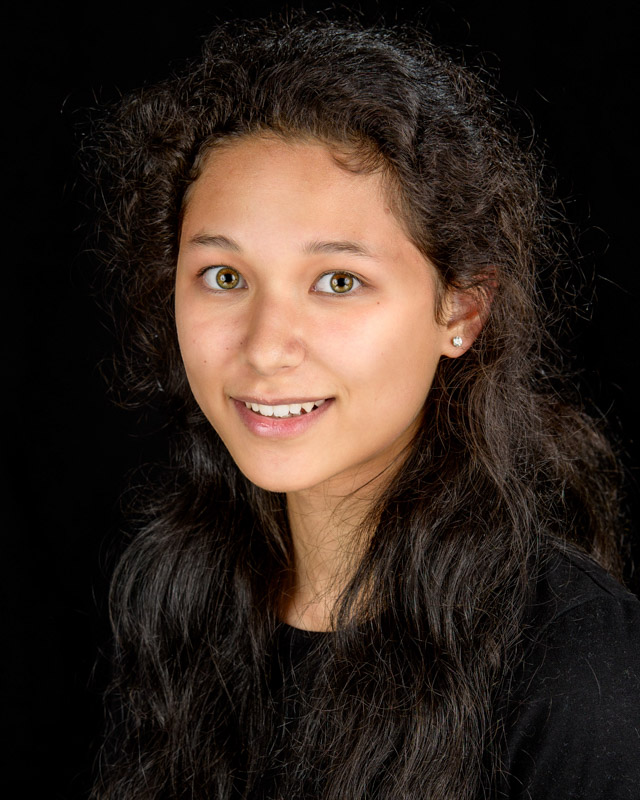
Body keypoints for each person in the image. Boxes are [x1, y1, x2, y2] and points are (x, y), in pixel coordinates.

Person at [85, 15, 640, 800]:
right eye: (224, 278)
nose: (265, 347)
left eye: (338, 282)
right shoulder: (177, 597)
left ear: (461, 310)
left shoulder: (578, 660)